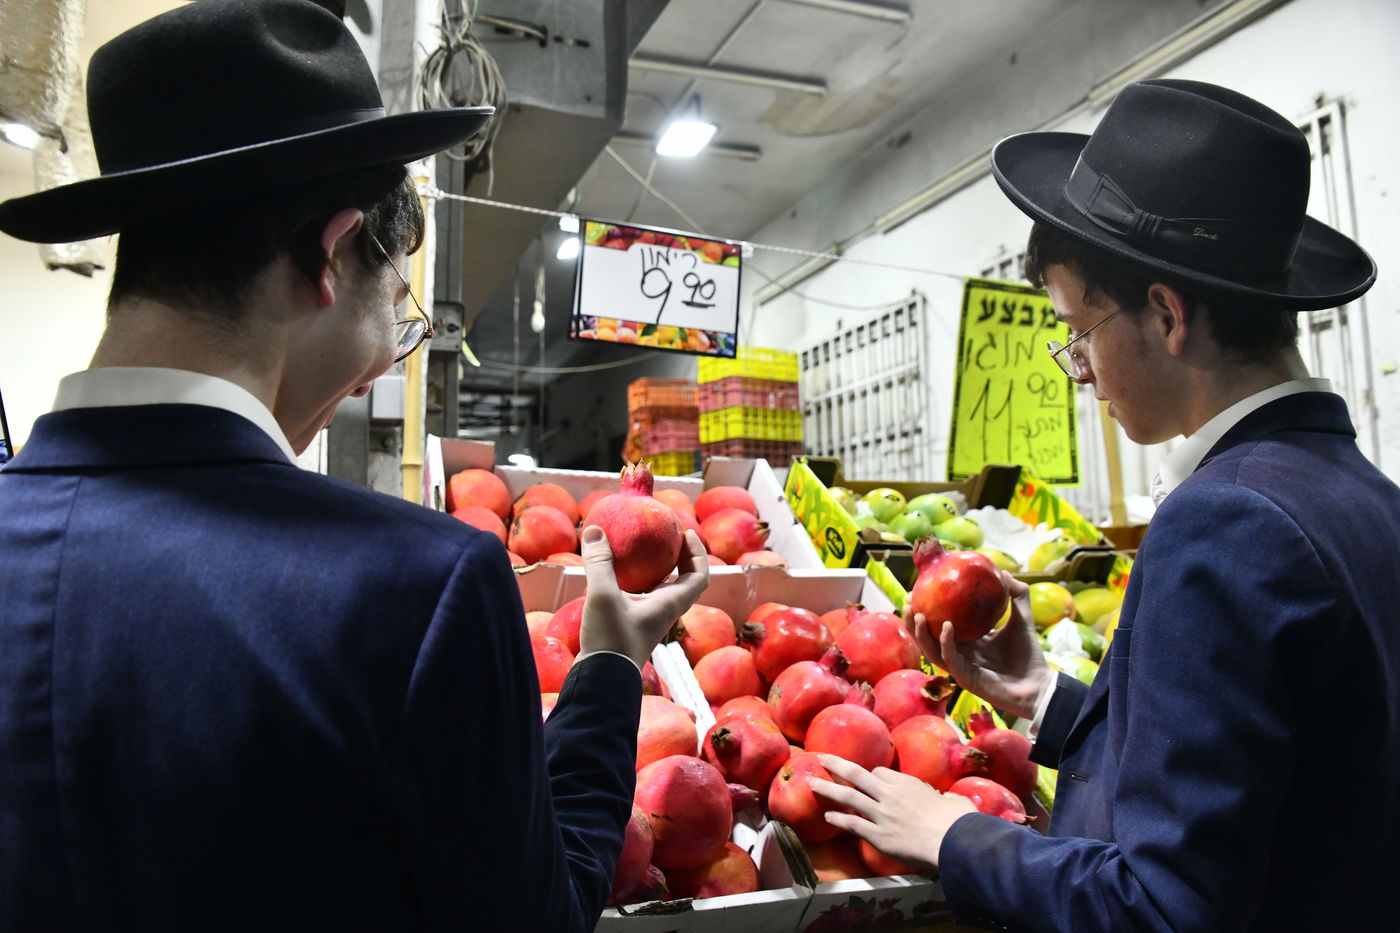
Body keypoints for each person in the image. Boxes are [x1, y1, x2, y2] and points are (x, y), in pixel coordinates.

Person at [0, 1, 708, 929]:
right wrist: (610, 666)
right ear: (329, 252)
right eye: (399, 309)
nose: (382, 363)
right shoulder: (418, 589)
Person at [809, 79, 1400, 930]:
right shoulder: (1365, 496)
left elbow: (1166, 906)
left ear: (1166, 316)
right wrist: (1046, 693)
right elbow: (1276, 780)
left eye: (1076, 332)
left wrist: (953, 835)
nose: (1078, 370)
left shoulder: (1224, 520)